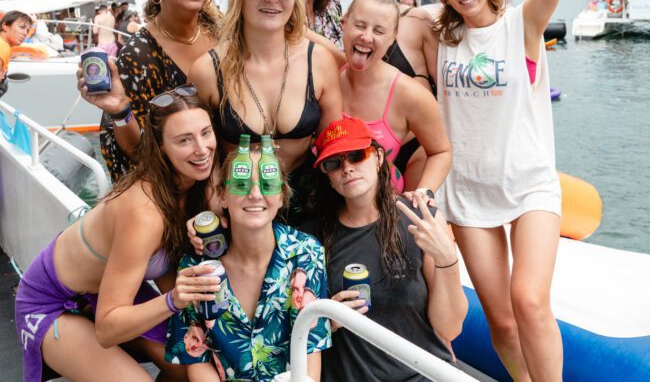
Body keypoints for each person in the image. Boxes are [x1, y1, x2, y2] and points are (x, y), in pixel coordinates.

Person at [427, 0, 638, 381]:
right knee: (500, 320)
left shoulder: (522, 25)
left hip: (529, 185)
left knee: (530, 301)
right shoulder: (439, 36)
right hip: (469, 191)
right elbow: (372, 22)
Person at [15, 87, 223, 382]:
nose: (202, 149)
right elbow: (107, 329)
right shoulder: (144, 213)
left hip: (108, 292)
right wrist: (174, 300)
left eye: (206, 133)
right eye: (184, 140)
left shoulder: (195, 186)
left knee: (192, 366)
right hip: (52, 304)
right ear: (161, 146)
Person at [304, 116, 468, 382]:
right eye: (334, 163)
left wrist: (447, 259)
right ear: (327, 175)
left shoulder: (420, 217)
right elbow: (297, 330)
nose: (347, 168)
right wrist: (328, 322)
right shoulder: (311, 238)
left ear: (378, 156)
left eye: (357, 155)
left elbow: (449, 328)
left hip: (423, 375)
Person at [190, 0, 342, 224]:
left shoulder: (318, 61)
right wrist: (213, 192)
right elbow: (203, 148)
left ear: (293, 0)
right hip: (239, 202)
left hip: (306, 203)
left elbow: (333, 143)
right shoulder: (208, 70)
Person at [166, 142, 331, 381]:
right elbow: (196, 356)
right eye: (242, 185)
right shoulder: (195, 266)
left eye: (268, 185)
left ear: (282, 195)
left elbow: (310, 352)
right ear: (222, 195)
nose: (255, 194)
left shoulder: (307, 253)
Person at [79, 0, 222, 182]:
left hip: (231, 180)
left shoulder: (224, 35)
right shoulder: (140, 54)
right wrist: (120, 110)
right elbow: (136, 151)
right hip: (178, 187)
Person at [340, 0, 451, 193]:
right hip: (324, 210)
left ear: (393, 37)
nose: (366, 37)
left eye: (379, 31)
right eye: (360, 25)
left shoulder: (410, 94)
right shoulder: (326, 76)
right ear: (343, 23)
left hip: (384, 209)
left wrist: (423, 193)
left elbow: (441, 151)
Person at [0, 10, 32, 80]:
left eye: (27, 30)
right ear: (5, 26)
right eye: (22, 27)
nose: (25, 33)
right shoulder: (3, 47)